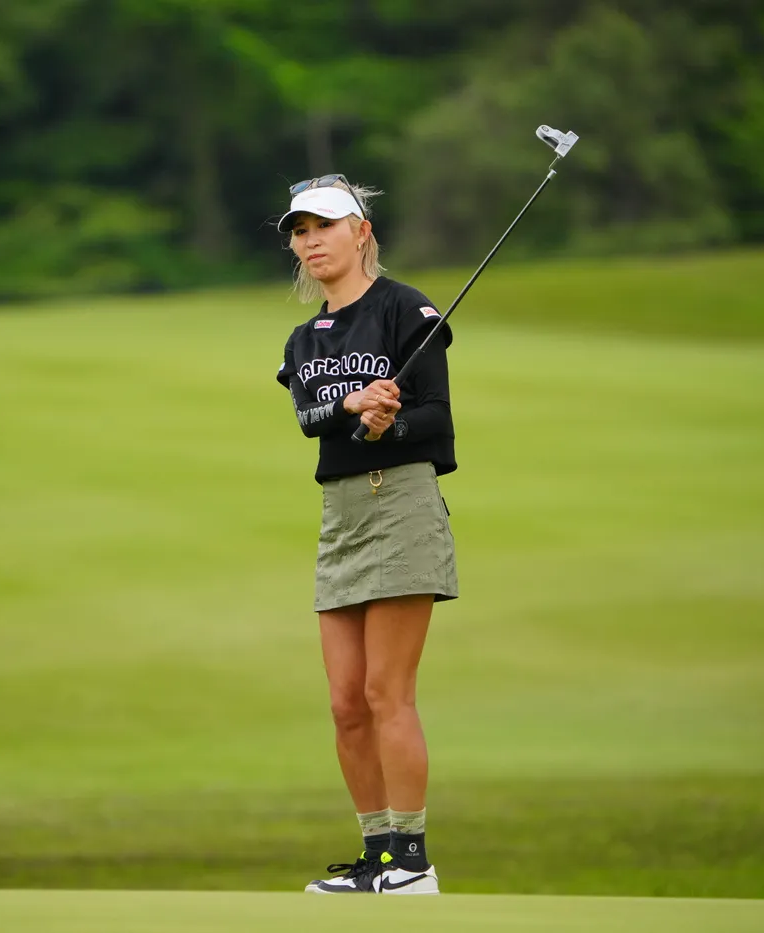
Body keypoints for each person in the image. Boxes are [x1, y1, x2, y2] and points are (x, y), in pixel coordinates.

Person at [273, 175, 457, 896]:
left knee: (386, 691)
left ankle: (411, 861)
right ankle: (377, 855)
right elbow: (308, 417)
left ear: (361, 232)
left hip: (401, 503)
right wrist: (354, 404)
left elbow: (435, 414)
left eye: (324, 225)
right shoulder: (303, 339)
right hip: (341, 515)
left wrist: (390, 423)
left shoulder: (405, 309)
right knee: (346, 702)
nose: (311, 241)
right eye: (300, 231)